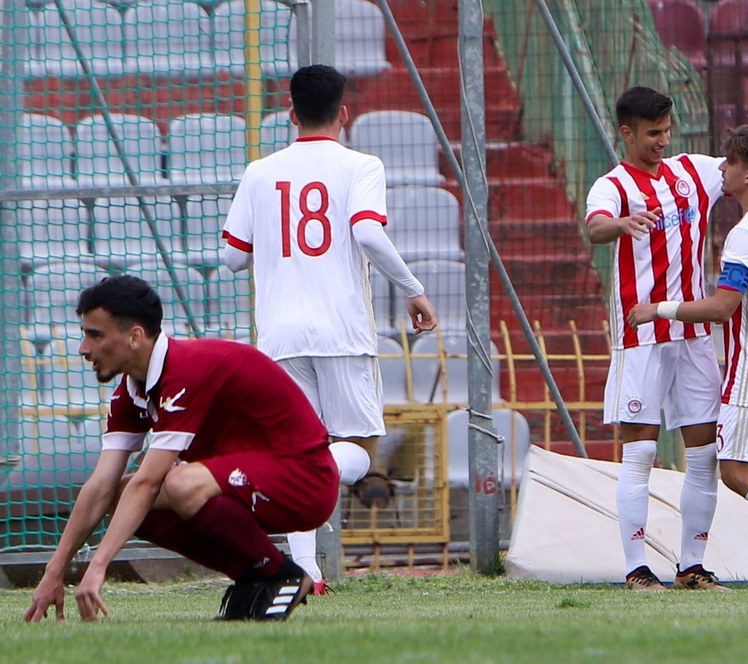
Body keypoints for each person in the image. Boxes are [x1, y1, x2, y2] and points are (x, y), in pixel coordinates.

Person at [585, 86, 748, 590]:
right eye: (652, 134)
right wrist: (620, 224)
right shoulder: (612, 185)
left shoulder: (692, 172)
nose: (663, 141)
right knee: (639, 453)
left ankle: (693, 565)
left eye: (667, 131)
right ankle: (637, 569)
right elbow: (596, 227)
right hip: (642, 336)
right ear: (627, 132)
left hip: (694, 336)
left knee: (707, 456)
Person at [23, 276, 369, 622]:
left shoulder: (184, 371)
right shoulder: (131, 391)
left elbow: (150, 482)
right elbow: (100, 487)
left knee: (176, 484)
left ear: (135, 337)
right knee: (119, 494)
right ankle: (253, 577)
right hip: (251, 479)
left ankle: (281, 574)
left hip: (305, 482)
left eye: (95, 335)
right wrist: (54, 573)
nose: (83, 348)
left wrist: (98, 566)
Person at [222, 64, 438, 593]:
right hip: (340, 329)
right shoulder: (361, 165)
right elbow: (366, 231)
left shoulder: (259, 171)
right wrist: (412, 287)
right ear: (344, 112)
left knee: (297, 447)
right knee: (358, 450)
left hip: (279, 333)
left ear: (290, 113)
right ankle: (272, 484)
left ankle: (304, 571)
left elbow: (231, 258)